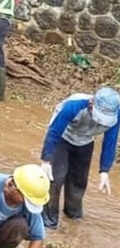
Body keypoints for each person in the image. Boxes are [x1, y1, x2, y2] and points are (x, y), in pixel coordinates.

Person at [39, 87, 120, 230]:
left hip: (85, 141)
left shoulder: (116, 116)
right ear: (92, 103)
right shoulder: (74, 106)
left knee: (79, 181)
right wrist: (46, 160)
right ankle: (48, 222)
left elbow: (110, 142)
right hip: (63, 137)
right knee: (55, 178)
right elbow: (54, 132)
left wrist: (104, 171)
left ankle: (73, 217)